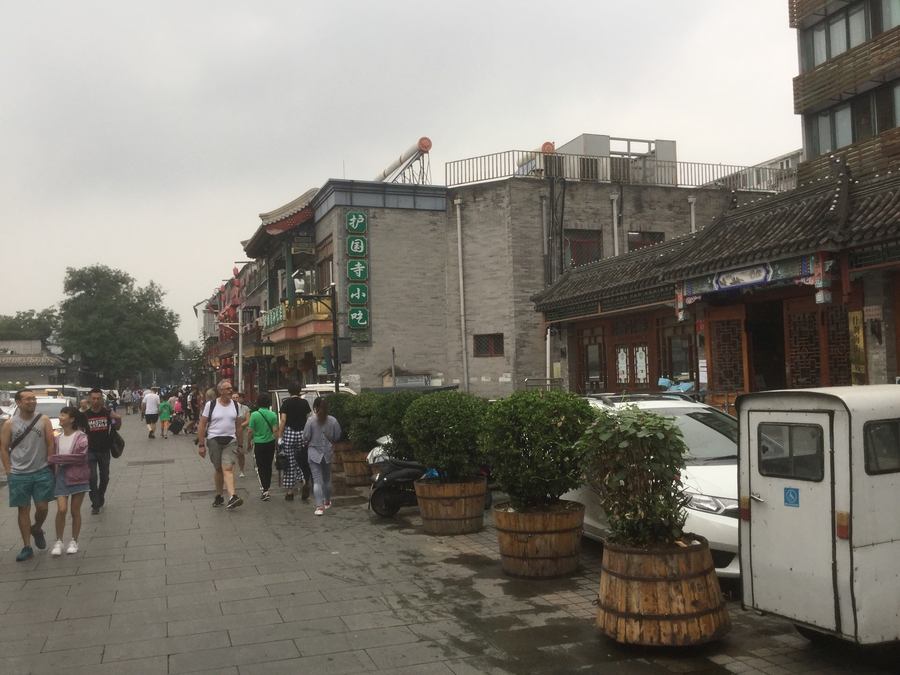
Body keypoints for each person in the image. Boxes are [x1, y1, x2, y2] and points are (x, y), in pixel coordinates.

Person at [0, 390, 56, 561]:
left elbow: (50, 442)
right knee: (23, 509)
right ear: (18, 402)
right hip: (18, 473)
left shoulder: (44, 420)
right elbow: (3, 447)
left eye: (33, 399)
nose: (31, 402)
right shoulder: (10, 424)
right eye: (27, 399)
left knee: (43, 507)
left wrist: (51, 464)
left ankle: (37, 528)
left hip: (41, 470)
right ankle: (26, 546)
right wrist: (8, 470)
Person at [47, 406, 90, 555]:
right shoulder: (56, 438)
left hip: (79, 475)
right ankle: (59, 541)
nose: (60, 417)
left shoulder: (81, 437)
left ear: (71, 419)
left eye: (63, 414)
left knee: (75, 510)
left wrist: (56, 459)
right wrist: (54, 459)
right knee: (61, 509)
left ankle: (74, 540)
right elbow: (50, 457)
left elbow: (80, 457)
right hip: (62, 475)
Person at [196, 380, 244, 509]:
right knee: (218, 469)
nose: (231, 391)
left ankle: (232, 496)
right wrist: (201, 445)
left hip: (231, 440)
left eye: (231, 389)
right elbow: (202, 425)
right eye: (228, 389)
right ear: (220, 391)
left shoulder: (236, 406)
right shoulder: (210, 405)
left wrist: (240, 444)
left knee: (227, 468)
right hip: (214, 440)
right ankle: (219, 495)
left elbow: (238, 426)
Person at [85, 388, 122, 515]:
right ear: (89, 399)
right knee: (92, 478)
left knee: (105, 477)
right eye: (93, 398)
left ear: (102, 399)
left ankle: (100, 496)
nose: (95, 401)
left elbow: (116, 427)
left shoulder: (108, 413)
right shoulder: (85, 416)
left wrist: (118, 418)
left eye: (98, 398)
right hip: (90, 451)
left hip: (105, 450)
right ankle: (95, 503)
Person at [302, 397, 341, 516]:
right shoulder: (333, 421)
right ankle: (327, 502)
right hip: (328, 453)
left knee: (317, 481)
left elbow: (306, 436)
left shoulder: (310, 421)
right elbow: (337, 436)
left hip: (314, 454)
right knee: (327, 479)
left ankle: (319, 507)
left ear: (315, 408)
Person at [277, 381, 312, 501]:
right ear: (299, 390)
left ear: (289, 391)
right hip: (302, 434)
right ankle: (304, 482)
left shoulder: (286, 403)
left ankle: (290, 492)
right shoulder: (305, 403)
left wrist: (280, 437)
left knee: (289, 463)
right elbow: (309, 419)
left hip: (289, 434)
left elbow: (283, 421)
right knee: (301, 461)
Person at [247, 393, 278, 501]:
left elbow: (250, 430)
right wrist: (278, 442)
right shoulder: (273, 415)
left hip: (258, 443)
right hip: (270, 443)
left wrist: (248, 443)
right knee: (268, 465)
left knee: (260, 466)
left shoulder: (254, 415)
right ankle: (267, 487)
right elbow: (275, 430)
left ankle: (264, 489)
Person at [232, 391, 251, 478]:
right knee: (230, 452)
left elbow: (248, 420)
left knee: (240, 453)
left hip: (242, 432)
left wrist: (239, 426)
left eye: (237, 398)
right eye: (233, 398)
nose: (235, 399)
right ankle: (230, 469)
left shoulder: (245, 408)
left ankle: (241, 469)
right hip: (231, 432)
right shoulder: (228, 408)